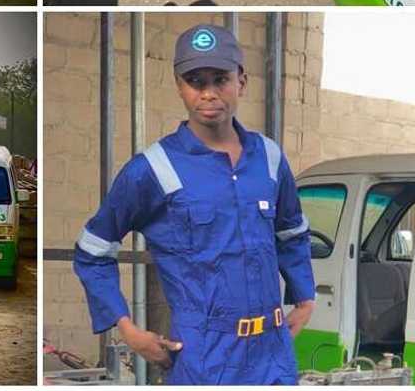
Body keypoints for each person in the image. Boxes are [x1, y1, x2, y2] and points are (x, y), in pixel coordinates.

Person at [74, 24, 315, 385]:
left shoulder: (269, 157)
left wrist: (305, 297)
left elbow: (292, 233)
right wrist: (126, 328)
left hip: (273, 354)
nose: (208, 94)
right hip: (205, 356)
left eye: (220, 79)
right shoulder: (152, 169)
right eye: (195, 82)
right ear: (179, 86)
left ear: (242, 82)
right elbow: (93, 250)